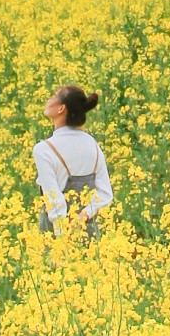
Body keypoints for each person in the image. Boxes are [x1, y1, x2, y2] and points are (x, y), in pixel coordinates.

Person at [32, 85, 113, 239]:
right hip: (88, 235)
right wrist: (83, 216)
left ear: (61, 109)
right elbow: (105, 194)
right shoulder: (92, 144)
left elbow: (54, 199)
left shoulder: (44, 149)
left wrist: (63, 240)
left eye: (53, 96)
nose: (48, 100)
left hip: (56, 235)